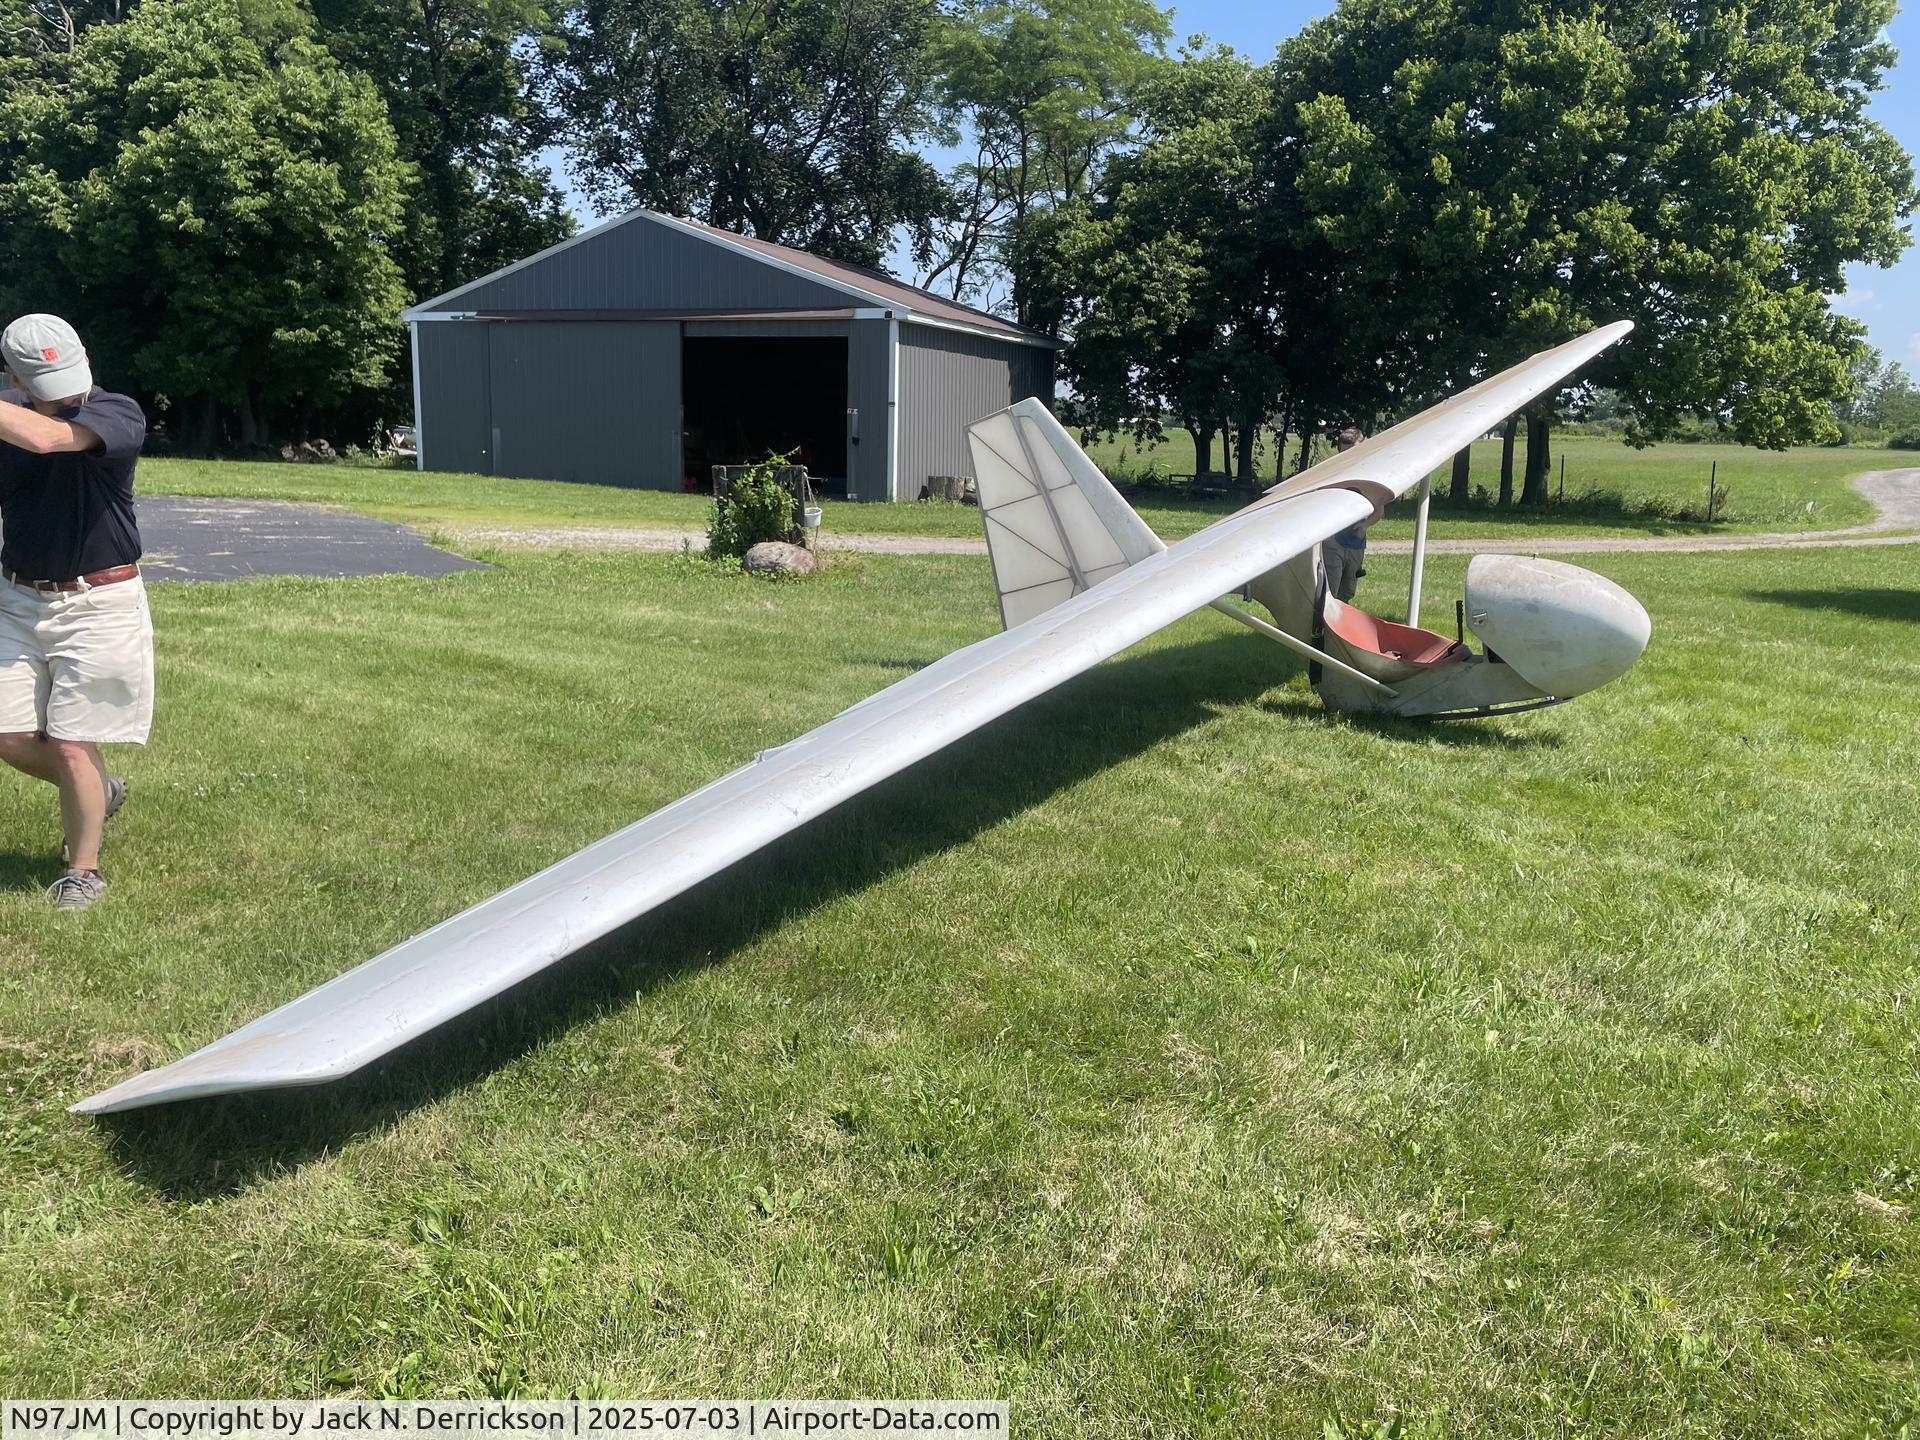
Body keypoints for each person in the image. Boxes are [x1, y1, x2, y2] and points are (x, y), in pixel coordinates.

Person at [0, 314, 152, 911]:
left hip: (99, 600)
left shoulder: (117, 413)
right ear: (14, 377)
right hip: (18, 596)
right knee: (11, 738)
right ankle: (96, 791)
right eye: (43, 381)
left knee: (69, 741)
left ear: (84, 354)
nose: (65, 392)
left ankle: (83, 873)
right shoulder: (8, 417)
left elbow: (47, 439)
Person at [1320, 426, 1371, 602]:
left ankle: (1340, 619)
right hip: (1333, 541)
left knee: (1347, 593)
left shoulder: (1371, 473)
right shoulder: (1331, 473)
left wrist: (1365, 524)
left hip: (1356, 543)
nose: (1350, 457)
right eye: (1345, 453)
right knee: (1330, 592)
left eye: (1354, 452)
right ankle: (1323, 620)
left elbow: (1379, 508)